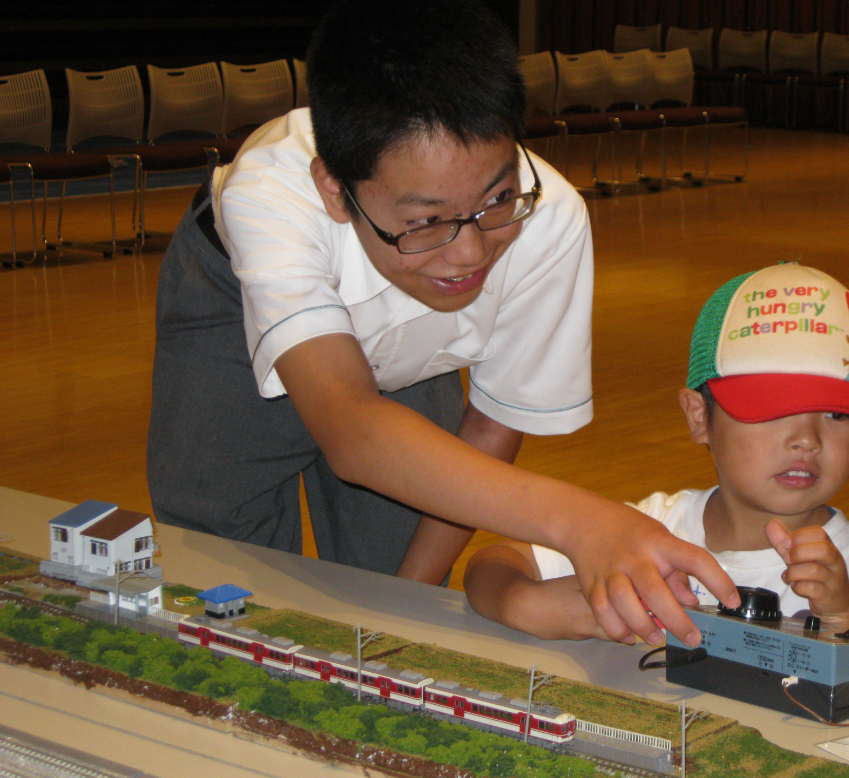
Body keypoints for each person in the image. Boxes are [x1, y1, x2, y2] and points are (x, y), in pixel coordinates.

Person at [146, 0, 739, 649]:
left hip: (406, 356)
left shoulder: (549, 218)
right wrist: (585, 523)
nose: (470, 253)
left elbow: (489, 427)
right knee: (221, 564)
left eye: (497, 199)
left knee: (401, 555)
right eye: (426, 221)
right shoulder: (272, 196)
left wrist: (392, 622)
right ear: (336, 193)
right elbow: (353, 430)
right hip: (232, 306)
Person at [465, 263, 849, 666]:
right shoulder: (651, 530)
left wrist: (839, 621)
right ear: (699, 417)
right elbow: (494, 563)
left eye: (838, 415)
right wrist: (526, 603)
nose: (807, 441)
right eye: (772, 411)